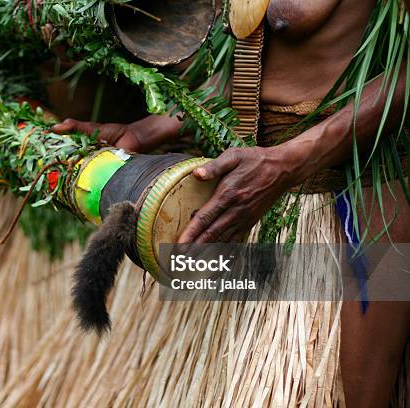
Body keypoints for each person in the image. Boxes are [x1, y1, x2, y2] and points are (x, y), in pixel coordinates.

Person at [52, 1, 409, 406]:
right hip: (251, 202)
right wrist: (149, 128)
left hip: (358, 209)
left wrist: (290, 161)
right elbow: (249, 65)